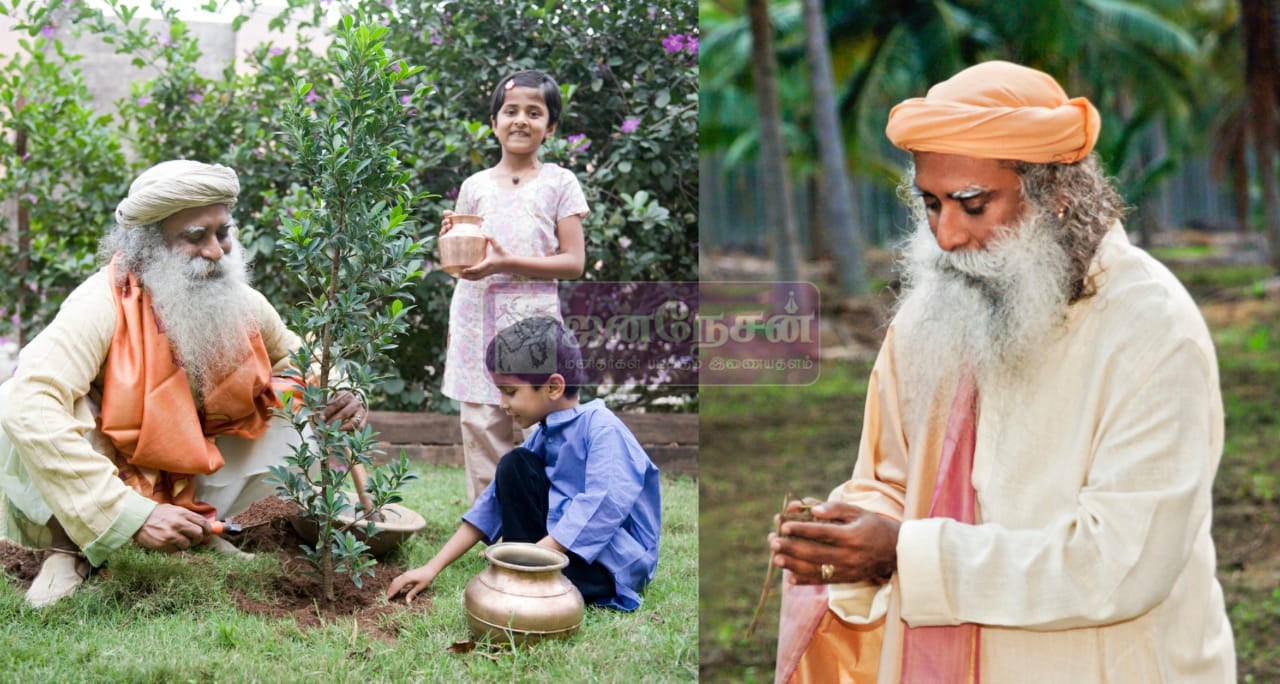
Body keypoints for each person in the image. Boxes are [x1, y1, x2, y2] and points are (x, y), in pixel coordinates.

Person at [768, 61, 1236, 682]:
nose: (947, 235)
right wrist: (842, 528)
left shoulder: (1151, 328)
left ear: (1057, 196)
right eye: (931, 204)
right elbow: (889, 477)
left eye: (971, 204)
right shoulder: (931, 313)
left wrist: (900, 553)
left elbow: (1123, 564)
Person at [0, 160, 366, 607]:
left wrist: (345, 392)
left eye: (222, 233)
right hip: (110, 461)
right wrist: (130, 515)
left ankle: (198, 526)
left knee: (306, 403)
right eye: (195, 236)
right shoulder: (99, 302)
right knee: (40, 403)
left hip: (185, 457)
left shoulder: (239, 300)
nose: (216, 251)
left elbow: (303, 359)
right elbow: (27, 400)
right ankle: (67, 550)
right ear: (148, 247)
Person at [388, 315, 661, 611]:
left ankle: (526, 573)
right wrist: (432, 567)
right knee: (514, 465)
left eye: (510, 392)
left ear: (553, 387)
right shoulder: (545, 433)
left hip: (608, 567)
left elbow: (603, 505)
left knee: (518, 468)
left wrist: (534, 558)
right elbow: (491, 503)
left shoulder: (602, 428)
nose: (503, 404)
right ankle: (528, 574)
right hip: (562, 557)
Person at [439, 69, 589, 504]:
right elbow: (462, 261)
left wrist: (506, 263)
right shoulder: (475, 186)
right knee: (483, 425)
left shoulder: (560, 182)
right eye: (510, 111)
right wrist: (453, 239)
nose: (521, 120)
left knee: (543, 424)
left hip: (534, 326)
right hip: (474, 320)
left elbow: (574, 262)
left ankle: (549, 526)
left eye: (534, 112)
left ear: (551, 126)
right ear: (493, 122)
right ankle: (492, 529)